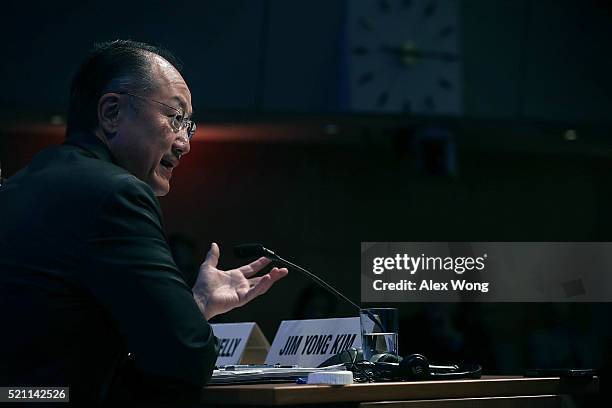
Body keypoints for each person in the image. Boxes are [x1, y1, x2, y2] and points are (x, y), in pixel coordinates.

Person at [0, 40, 288, 406]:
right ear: (111, 112)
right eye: (175, 117)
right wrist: (190, 333)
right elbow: (187, 356)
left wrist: (195, 303)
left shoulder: (20, 185)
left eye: (189, 126)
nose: (185, 143)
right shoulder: (115, 194)